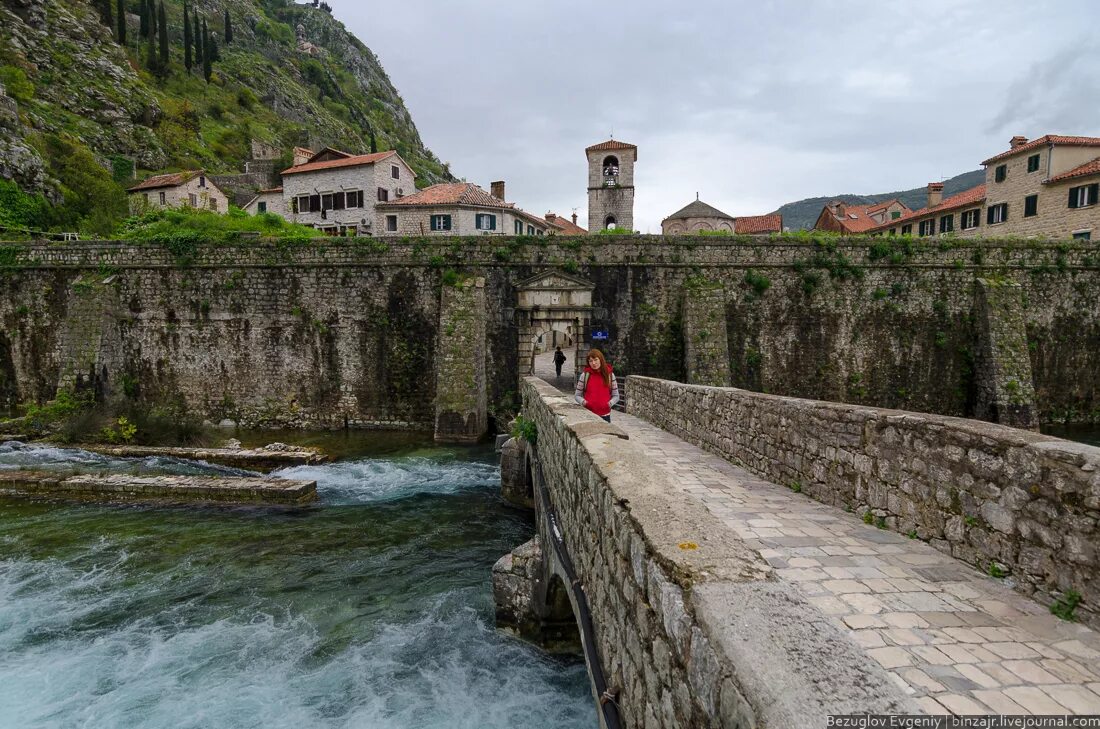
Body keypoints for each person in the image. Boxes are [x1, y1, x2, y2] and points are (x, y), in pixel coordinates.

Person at [575, 348, 619, 422]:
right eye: (590, 361)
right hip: (589, 415)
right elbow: (577, 395)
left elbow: (616, 396)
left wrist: (609, 404)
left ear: (600, 359)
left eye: (595, 360)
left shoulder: (610, 375)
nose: (594, 363)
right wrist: (586, 403)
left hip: (605, 416)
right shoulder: (585, 375)